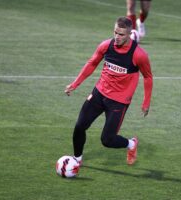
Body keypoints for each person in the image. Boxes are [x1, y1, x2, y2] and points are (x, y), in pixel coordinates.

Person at [64, 17, 153, 172]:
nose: (117, 37)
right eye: (115, 33)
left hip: (118, 102)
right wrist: (75, 83)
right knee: (79, 126)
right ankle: (77, 159)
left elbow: (148, 77)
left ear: (130, 34)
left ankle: (131, 144)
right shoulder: (106, 45)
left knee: (107, 140)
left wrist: (146, 102)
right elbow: (92, 63)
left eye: (121, 35)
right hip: (99, 94)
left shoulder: (139, 55)